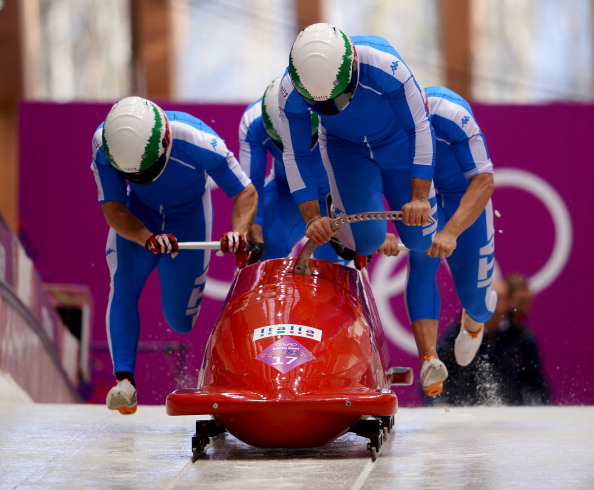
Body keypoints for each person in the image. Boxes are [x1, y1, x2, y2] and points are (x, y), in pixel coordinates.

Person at [91, 96, 257, 414]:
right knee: (123, 284)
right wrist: (147, 237)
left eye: (149, 169)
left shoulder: (200, 141)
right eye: (134, 175)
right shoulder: (104, 144)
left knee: (180, 321)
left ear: (166, 143)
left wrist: (239, 232)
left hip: (189, 219)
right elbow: (113, 207)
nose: (143, 177)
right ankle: (125, 381)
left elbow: (245, 192)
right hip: (140, 217)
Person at [377, 85, 497, 397]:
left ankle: (475, 320)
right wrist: (379, 232)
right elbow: (366, 177)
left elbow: (484, 180)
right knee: (421, 255)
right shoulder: (383, 125)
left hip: (462, 193)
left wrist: (451, 232)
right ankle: (429, 358)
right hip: (422, 193)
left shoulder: (452, 116)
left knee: (476, 299)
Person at [238, 77, 344, 262]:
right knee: (266, 247)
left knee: (336, 261)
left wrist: (370, 230)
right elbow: (251, 187)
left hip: (336, 194)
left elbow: (366, 164)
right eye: (283, 144)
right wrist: (255, 231)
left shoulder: (336, 111)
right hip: (286, 191)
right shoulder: (253, 122)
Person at [425, 275, 551, 406]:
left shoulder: (521, 338)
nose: (494, 305)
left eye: (500, 299)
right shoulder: (455, 335)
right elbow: (433, 373)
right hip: (463, 411)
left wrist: (541, 407)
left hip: (509, 412)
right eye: (490, 299)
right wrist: (438, 402)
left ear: (509, 302)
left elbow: (535, 382)